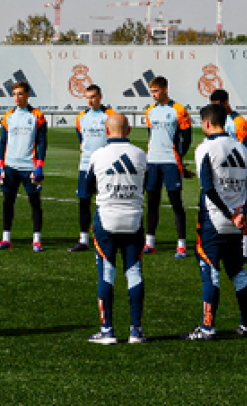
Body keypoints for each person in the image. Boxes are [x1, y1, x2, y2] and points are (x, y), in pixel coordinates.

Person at [183, 104, 247, 340]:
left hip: (214, 220)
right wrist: (241, 213)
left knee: (211, 272)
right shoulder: (243, 150)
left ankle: (207, 328)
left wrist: (227, 213)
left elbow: (207, 187)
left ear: (206, 123)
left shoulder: (205, 148)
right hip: (236, 223)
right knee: (238, 272)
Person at [85, 114, 148, 344]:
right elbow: (146, 184)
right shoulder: (141, 154)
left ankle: (107, 329)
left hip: (107, 219)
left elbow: (85, 187)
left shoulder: (98, 155)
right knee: (134, 272)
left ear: (106, 130)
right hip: (134, 220)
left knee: (106, 273)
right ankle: (136, 330)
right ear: (129, 130)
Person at [0, 81, 48, 252]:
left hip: (29, 167)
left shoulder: (37, 116)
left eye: (20, 94)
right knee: (8, 202)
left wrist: (39, 166)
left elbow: (42, 142)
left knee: (35, 203)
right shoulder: (8, 116)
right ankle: (6, 239)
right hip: (10, 167)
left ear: (27, 95)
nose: (17, 98)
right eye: (14, 94)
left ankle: (37, 240)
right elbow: (3, 141)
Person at [143, 76, 192, 257]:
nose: (153, 95)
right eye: (152, 91)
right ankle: (150, 243)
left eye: (156, 91)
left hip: (171, 162)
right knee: (152, 203)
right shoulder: (150, 111)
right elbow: (151, 136)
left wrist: (179, 158)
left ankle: (181, 245)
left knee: (176, 203)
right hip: (152, 162)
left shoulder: (178, 110)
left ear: (164, 89)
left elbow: (187, 138)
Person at [210, 89, 247, 262]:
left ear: (225, 103)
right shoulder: (217, 121)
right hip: (221, 172)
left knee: (240, 209)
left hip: (237, 172)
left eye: (218, 105)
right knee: (218, 208)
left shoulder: (239, 122)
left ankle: (243, 251)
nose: (216, 109)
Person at [72, 85, 116, 253]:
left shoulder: (110, 115)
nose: (90, 100)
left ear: (100, 97)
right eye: (87, 97)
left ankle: (107, 236)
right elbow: (81, 138)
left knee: (106, 202)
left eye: (93, 97)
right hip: (86, 165)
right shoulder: (81, 117)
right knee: (84, 201)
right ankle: (83, 240)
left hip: (105, 165)